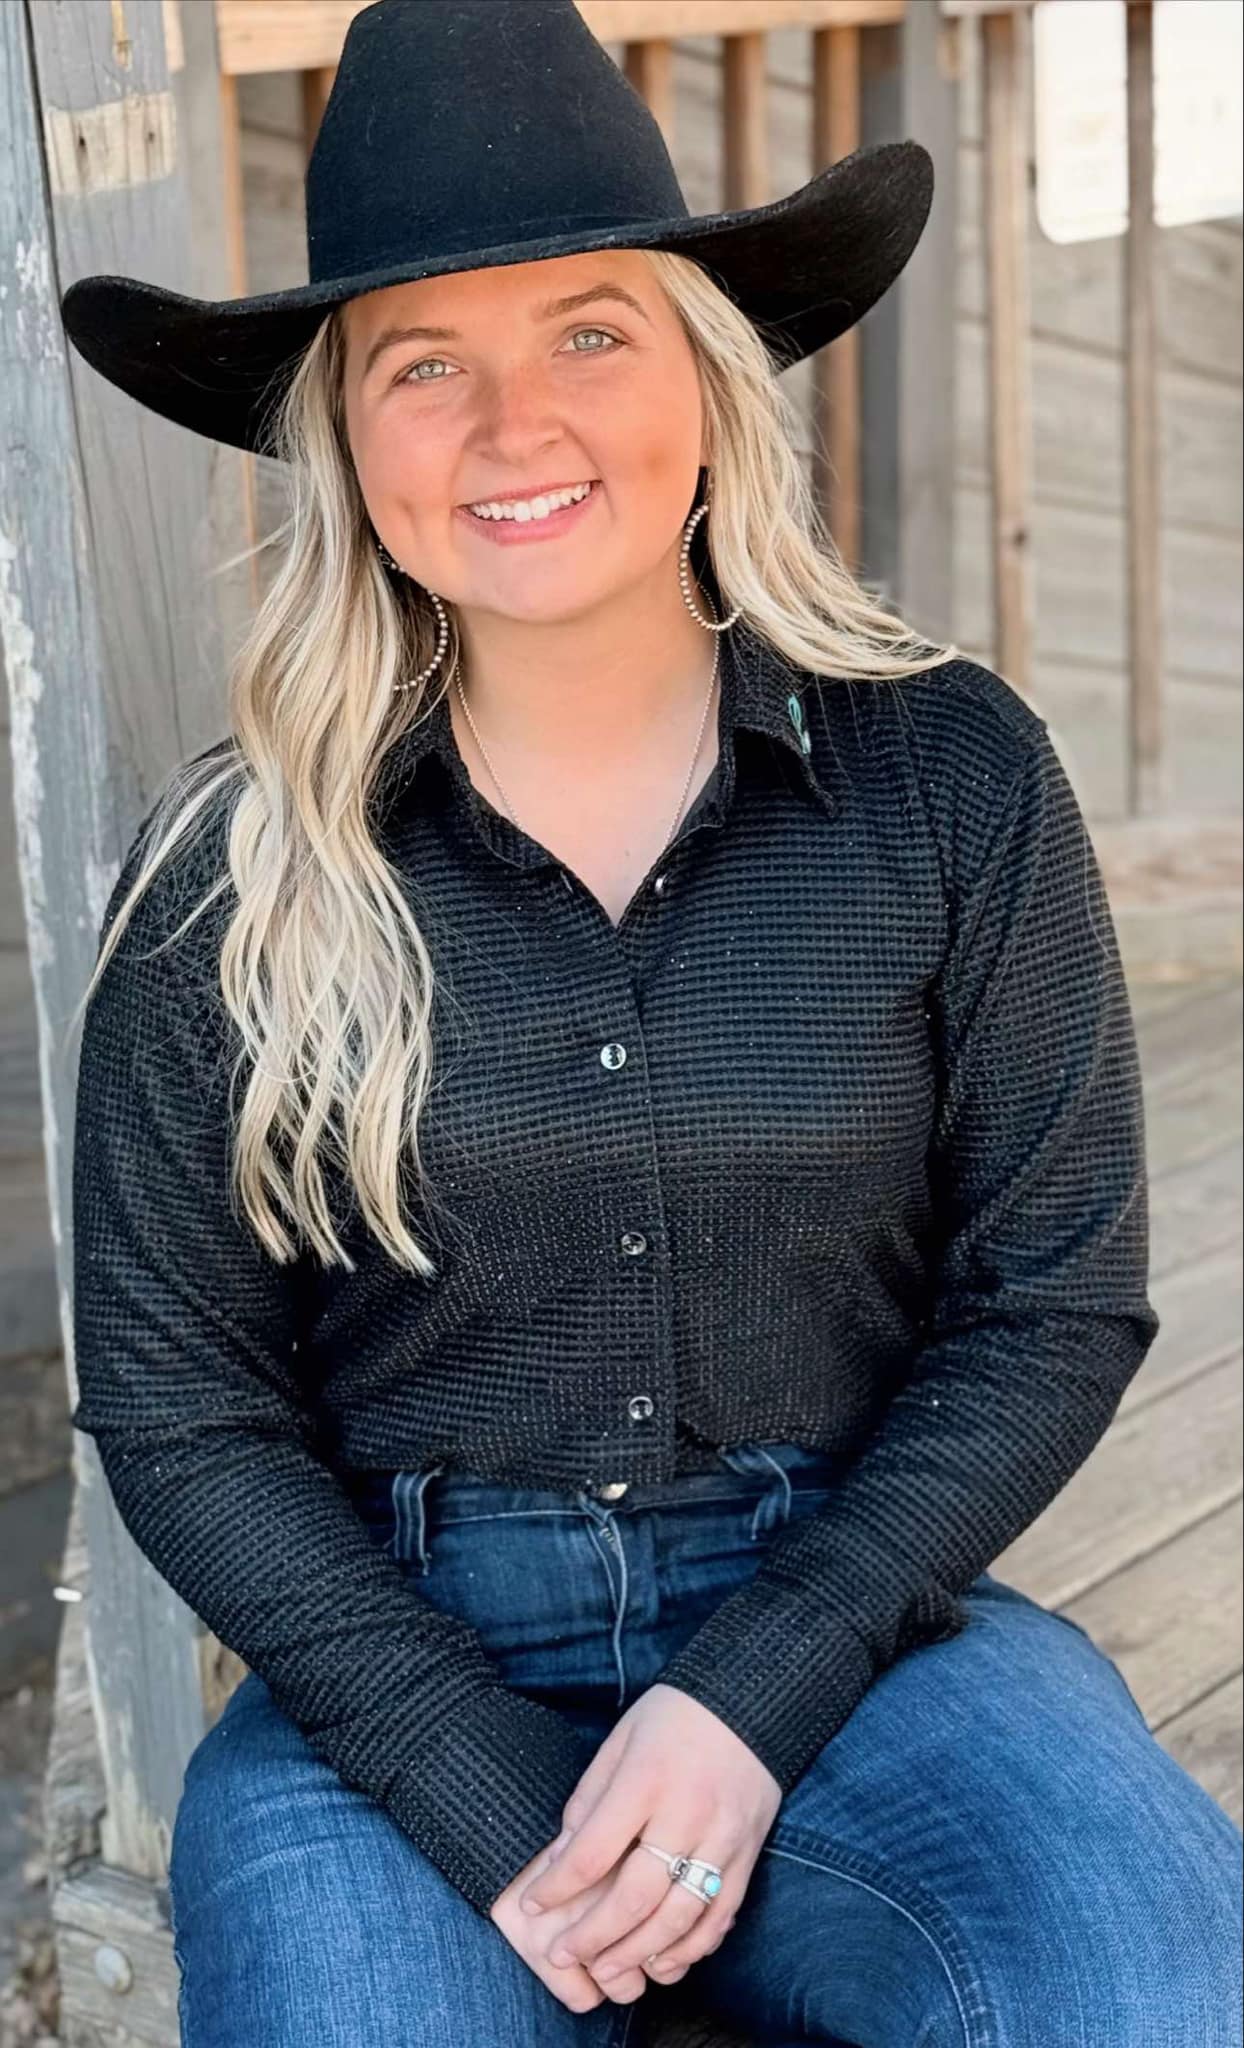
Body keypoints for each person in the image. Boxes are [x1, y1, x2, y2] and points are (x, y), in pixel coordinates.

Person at [59, 3, 1241, 2044]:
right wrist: (488, 1788)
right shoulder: (224, 878)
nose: (514, 428)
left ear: (706, 377)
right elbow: (185, 1413)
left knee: (1144, 1983)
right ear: (349, 439)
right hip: (389, 1676)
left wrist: (748, 1695)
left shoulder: (947, 779)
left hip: (869, 1632)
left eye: (590, 331)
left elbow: (1048, 1302)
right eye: (423, 365)